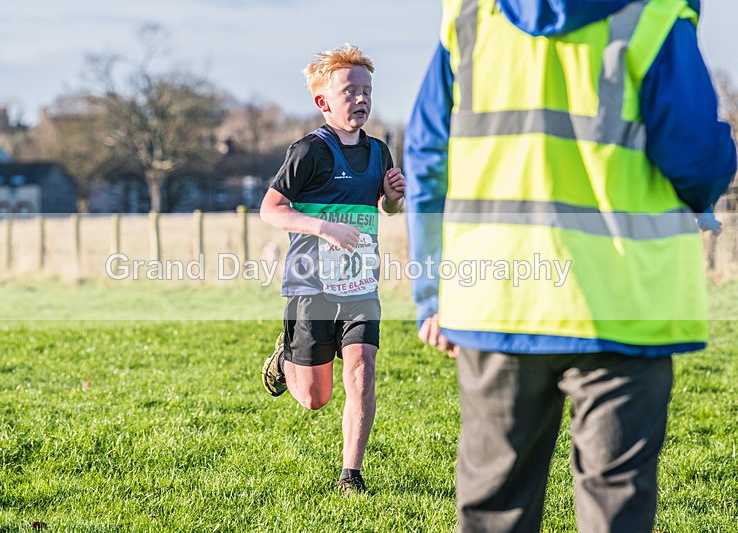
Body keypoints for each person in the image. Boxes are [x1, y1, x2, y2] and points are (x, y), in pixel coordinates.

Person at [405, 0, 736, 531]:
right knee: (615, 506)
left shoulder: (470, 13)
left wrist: (434, 291)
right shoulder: (652, 14)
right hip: (622, 304)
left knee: (494, 509)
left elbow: (427, 154)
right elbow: (696, 154)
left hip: (498, 300)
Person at [260, 44, 405, 494]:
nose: (360, 99)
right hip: (311, 283)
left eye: (367, 90)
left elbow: (389, 210)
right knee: (314, 398)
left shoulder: (380, 151)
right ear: (323, 101)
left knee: (361, 369)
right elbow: (271, 210)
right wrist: (324, 228)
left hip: (360, 284)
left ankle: (351, 475)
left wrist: (394, 196)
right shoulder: (309, 151)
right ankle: (287, 357)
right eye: (349, 91)